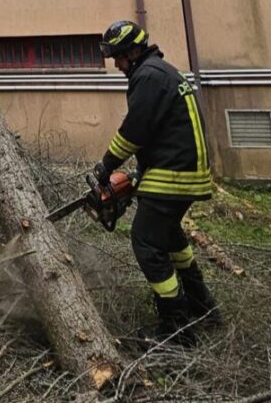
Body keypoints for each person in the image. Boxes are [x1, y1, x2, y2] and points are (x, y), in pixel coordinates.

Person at [94, 20, 219, 346]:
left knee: (146, 242)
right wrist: (140, 173)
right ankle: (202, 306)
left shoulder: (148, 77)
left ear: (134, 51)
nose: (117, 64)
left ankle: (177, 330)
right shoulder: (161, 71)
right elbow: (163, 132)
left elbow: (135, 130)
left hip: (175, 174)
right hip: (183, 170)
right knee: (170, 236)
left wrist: (106, 167)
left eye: (119, 57)